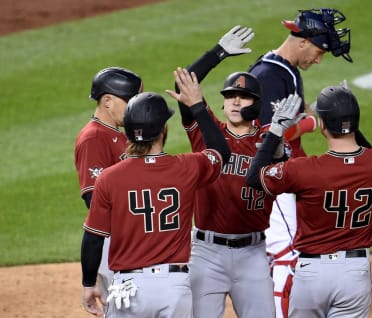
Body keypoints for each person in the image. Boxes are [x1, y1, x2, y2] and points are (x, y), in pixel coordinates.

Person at [80, 86, 231, 317]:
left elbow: (93, 238)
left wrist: (89, 283)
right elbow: (221, 151)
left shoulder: (108, 178)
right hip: (173, 287)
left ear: (128, 131)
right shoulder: (188, 167)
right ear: (163, 129)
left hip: (127, 287)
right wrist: (198, 107)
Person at [246, 84, 372, 317]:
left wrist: (275, 131)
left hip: (313, 274)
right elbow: (366, 151)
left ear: (322, 125)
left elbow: (254, 178)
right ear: (355, 121)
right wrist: (346, 112)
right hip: (356, 273)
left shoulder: (306, 171)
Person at [247, 8, 353, 317]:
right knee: (288, 255)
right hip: (272, 179)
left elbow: (293, 123)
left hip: (284, 176)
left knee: (276, 257)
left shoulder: (285, 71)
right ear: (303, 41)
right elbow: (266, 138)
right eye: (319, 52)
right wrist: (307, 123)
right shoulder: (268, 75)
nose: (319, 60)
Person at [167, 26, 276, 318]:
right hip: (206, 252)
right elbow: (183, 88)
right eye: (230, 96)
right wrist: (218, 53)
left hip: (253, 252)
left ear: (257, 104)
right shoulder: (208, 131)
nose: (236, 101)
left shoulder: (270, 140)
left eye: (244, 96)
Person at [74, 66, 143, 308]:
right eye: (130, 101)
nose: (135, 107)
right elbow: (94, 201)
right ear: (107, 101)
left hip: (132, 240)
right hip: (115, 245)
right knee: (124, 309)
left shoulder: (120, 134)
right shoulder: (94, 138)